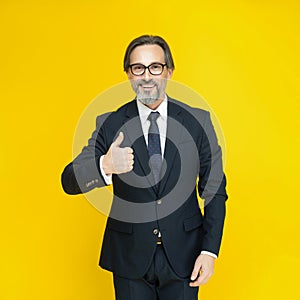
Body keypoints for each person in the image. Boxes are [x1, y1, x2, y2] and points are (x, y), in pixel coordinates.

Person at [61, 35, 228, 300]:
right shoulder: (111, 123)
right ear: (128, 74)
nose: (146, 76)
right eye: (138, 68)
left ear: (169, 72)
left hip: (185, 256)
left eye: (155, 67)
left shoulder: (198, 121)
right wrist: (105, 165)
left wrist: (209, 252)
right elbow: (68, 181)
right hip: (129, 258)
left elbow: (214, 189)